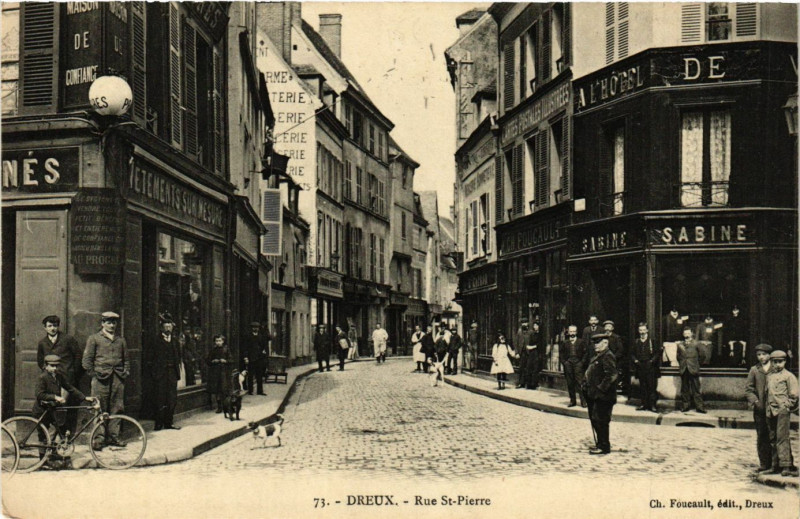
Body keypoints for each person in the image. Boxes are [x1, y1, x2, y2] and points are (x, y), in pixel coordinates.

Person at [33, 355, 93, 467]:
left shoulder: (58, 376)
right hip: (42, 410)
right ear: (46, 366)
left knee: (61, 429)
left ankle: (56, 454)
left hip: (52, 409)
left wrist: (84, 398)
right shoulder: (42, 377)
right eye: (52, 366)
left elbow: (69, 387)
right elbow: (39, 394)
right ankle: (43, 463)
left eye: (56, 366)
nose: (55, 368)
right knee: (43, 436)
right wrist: (55, 397)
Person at [82, 311, 130, 449]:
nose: (111, 325)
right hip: (100, 379)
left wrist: (125, 372)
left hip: (118, 378)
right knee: (99, 407)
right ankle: (98, 439)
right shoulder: (94, 338)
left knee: (117, 407)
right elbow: (86, 361)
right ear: (102, 323)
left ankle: (114, 437)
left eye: (114, 322)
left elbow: (126, 359)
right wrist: (95, 375)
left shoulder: (121, 340)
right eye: (108, 322)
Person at [37, 315, 83, 435]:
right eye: (50, 326)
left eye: (55, 326)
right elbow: (40, 361)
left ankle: (64, 440)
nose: (53, 328)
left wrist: (72, 374)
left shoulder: (68, 339)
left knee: (63, 410)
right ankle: (52, 440)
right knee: (52, 409)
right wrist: (47, 374)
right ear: (45, 327)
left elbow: (78, 357)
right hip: (51, 382)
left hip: (66, 380)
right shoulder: (42, 343)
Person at [583, 333, 618, 455]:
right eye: (594, 343)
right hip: (596, 395)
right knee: (596, 419)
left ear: (605, 343)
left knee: (601, 420)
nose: (595, 346)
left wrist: (600, 389)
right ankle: (601, 444)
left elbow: (612, 375)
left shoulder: (608, 356)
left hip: (604, 396)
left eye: (598, 343)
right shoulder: (598, 356)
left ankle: (604, 446)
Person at [765, 350, 799, 477]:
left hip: (782, 410)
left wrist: (786, 406)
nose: (777, 365)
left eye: (780, 362)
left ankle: (786, 466)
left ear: (785, 362)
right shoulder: (770, 376)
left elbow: (794, 394)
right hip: (770, 410)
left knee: (782, 438)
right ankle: (775, 465)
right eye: (775, 362)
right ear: (771, 363)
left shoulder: (789, 376)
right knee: (773, 438)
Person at [745, 343, 774, 473]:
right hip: (760, 409)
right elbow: (749, 390)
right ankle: (764, 463)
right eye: (759, 355)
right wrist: (756, 402)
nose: (761, 357)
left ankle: (776, 464)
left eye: (764, 354)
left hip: (774, 408)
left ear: (769, 355)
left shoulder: (776, 368)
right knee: (762, 436)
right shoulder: (754, 370)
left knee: (775, 436)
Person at [150, 313, 181, 431]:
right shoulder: (155, 340)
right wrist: (154, 372)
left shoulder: (175, 341)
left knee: (172, 398)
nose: (168, 328)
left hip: (172, 372)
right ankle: (159, 423)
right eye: (166, 326)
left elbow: (178, 357)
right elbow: (150, 357)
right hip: (160, 373)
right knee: (160, 398)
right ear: (162, 327)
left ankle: (169, 422)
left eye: (170, 326)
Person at [631, 323, 661, 412]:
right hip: (640, 366)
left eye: (644, 330)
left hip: (650, 367)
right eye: (640, 330)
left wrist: (652, 361)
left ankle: (652, 405)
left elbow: (657, 353)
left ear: (647, 330)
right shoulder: (636, 341)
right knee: (643, 386)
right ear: (638, 331)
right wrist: (636, 361)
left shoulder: (652, 341)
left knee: (651, 386)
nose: (642, 332)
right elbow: (632, 354)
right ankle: (644, 404)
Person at [677, 327, 706, 413]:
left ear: (691, 334)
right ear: (683, 334)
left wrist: (696, 364)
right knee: (684, 389)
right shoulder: (680, 345)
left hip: (693, 369)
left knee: (696, 389)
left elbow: (703, 356)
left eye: (688, 333)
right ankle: (685, 406)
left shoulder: (696, 344)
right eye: (685, 333)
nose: (686, 335)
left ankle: (699, 407)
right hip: (684, 369)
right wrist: (682, 364)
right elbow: (678, 357)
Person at [561, 325, 588, 407]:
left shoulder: (581, 342)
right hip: (568, 363)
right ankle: (573, 401)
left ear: (576, 332)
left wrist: (581, 362)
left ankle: (583, 401)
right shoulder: (565, 342)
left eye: (574, 331)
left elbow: (586, 353)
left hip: (578, 363)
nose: (572, 333)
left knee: (580, 383)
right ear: (568, 332)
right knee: (570, 383)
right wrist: (565, 362)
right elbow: (561, 354)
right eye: (571, 331)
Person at [206, 334, 231, 413]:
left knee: (224, 389)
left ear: (223, 341)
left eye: (219, 341)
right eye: (216, 341)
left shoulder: (226, 350)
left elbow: (231, 360)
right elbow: (208, 360)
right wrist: (213, 361)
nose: (218, 342)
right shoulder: (213, 350)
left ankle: (226, 406)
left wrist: (226, 361)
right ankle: (219, 406)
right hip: (215, 373)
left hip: (224, 372)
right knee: (217, 390)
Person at [242, 322, 268, 395]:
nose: (255, 329)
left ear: (258, 328)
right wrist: (246, 357)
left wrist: (263, 352)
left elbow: (264, 346)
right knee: (250, 375)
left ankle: (260, 391)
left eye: (257, 327)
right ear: (251, 328)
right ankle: (250, 391)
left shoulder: (261, 336)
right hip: (251, 358)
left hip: (259, 358)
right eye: (254, 327)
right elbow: (245, 347)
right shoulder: (248, 336)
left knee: (259, 375)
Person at [604, 320, 628, 395]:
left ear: (612, 328)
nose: (607, 328)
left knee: (613, 378)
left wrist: (613, 357)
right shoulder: (602, 337)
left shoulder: (616, 337)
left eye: (609, 327)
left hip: (613, 361)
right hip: (604, 361)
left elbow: (620, 350)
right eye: (606, 326)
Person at [519, 322, 542, 390]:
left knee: (535, 368)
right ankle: (529, 384)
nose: (535, 326)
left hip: (537, 352)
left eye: (536, 325)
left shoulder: (540, 334)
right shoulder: (532, 334)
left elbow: (539, 344)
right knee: (529, 367)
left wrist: (531, 347)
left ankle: (534, 384)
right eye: (534, 325)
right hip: (531, 353)